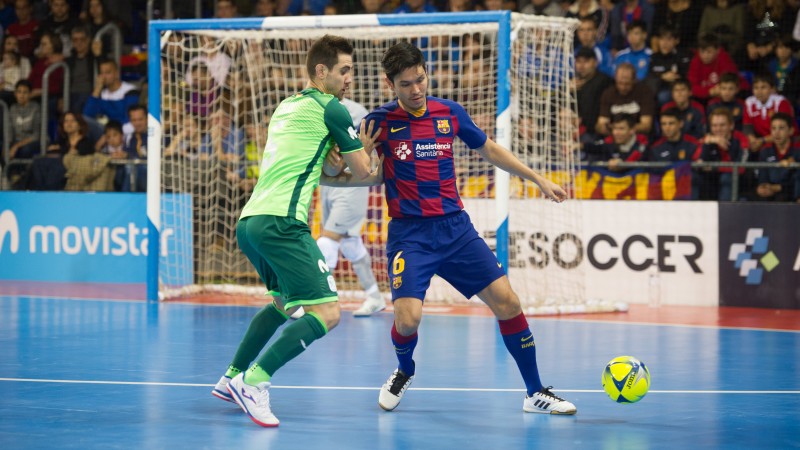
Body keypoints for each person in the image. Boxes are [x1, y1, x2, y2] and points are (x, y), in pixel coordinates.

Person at [357, 42, 576, 415]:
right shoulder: (377, 122)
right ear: (389, 84)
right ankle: (404, 370)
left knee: (508, 302)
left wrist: (537, 178)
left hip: (456, 230)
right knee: (407, 320)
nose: (416, 89)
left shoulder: (449, 112)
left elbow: (490, 149)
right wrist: (361, 153)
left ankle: (535, 392)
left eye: (420, 79)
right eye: (406, 84)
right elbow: (353, 170)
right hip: (410, 235)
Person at [212, 35, 377, 428]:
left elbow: (321, 167)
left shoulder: (287, 106)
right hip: (283, 223)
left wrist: (337, 160)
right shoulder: (333, 108)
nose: (350, 78)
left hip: (251, 222)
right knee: (328, 313)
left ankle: (232, 376)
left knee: (283, 303)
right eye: (344, 70)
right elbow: (363, 171)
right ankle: (255, 381)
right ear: (321, 71)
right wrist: (366, 146)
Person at [317, 97, 386, 317]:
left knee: (328, 240)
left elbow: (361, 150)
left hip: (351, 184)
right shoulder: (314, 107)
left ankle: (317, 300)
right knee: (349, 242)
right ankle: (375, 297)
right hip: (328, 183)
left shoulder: (355, 111)